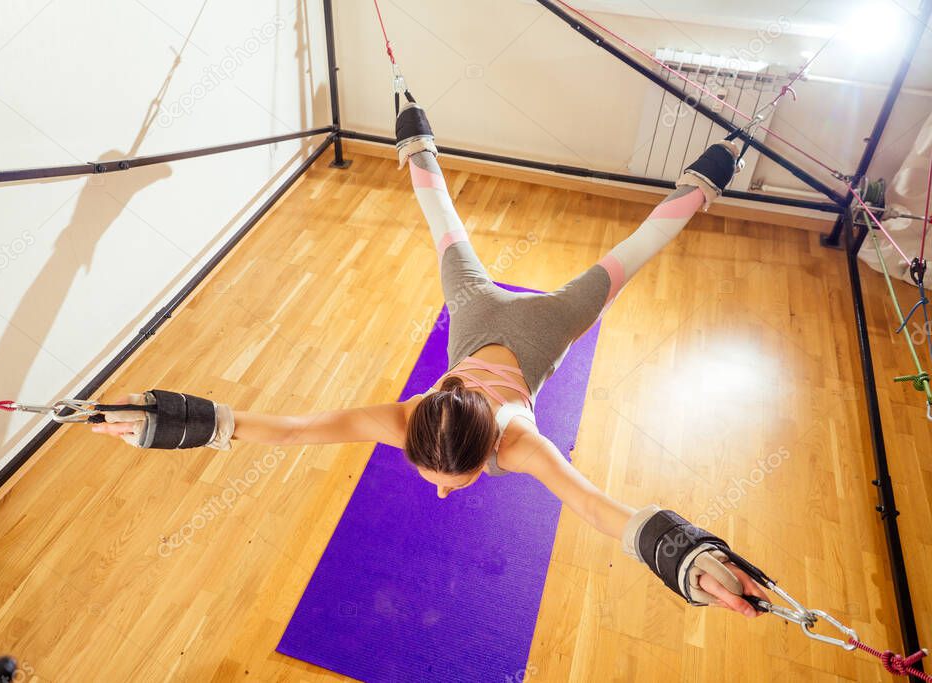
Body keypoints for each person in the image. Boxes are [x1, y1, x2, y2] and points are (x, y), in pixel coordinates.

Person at [90, 97, 769, 617]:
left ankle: (699, 181)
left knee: (604, 248)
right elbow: (595, 507)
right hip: (494, 316)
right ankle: (418, 137)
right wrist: (182, 422)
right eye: (441, 476)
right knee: (477, 226)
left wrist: (687, 559)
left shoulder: (491, 433)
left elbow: (597, 508)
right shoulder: (445, 427)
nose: (440, 487)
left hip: (522, 322)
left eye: (444, 478)